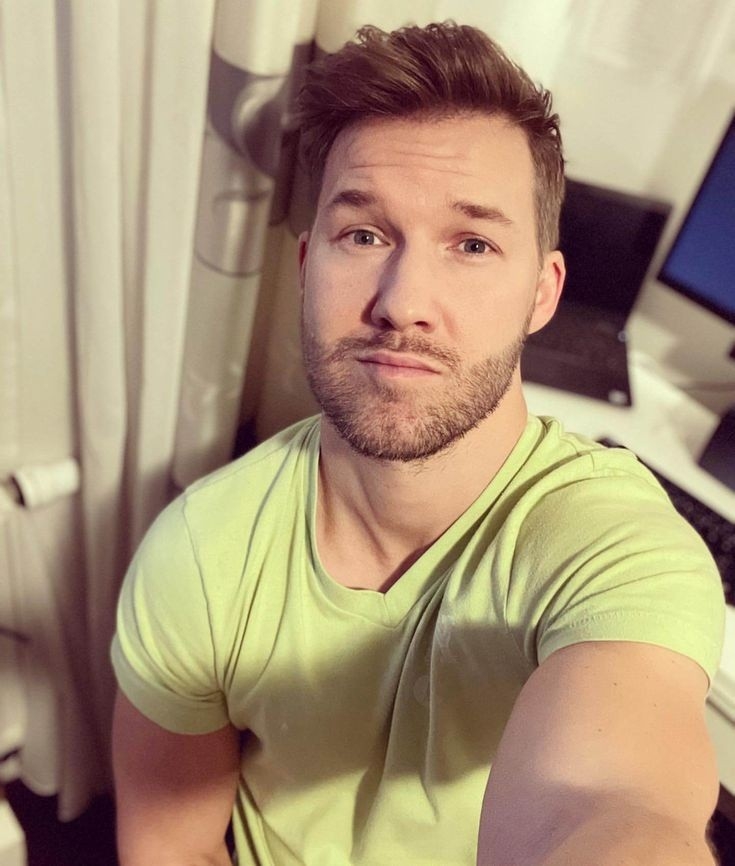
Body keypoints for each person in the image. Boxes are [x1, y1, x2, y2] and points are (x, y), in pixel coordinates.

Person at [111, 21, 726, 866]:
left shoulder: (612, 551)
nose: (403, 302)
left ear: (541, 292)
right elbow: (171, 846)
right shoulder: (200, 550)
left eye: (472, 244)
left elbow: (617, 805)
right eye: (363, 235)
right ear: (306, 265)